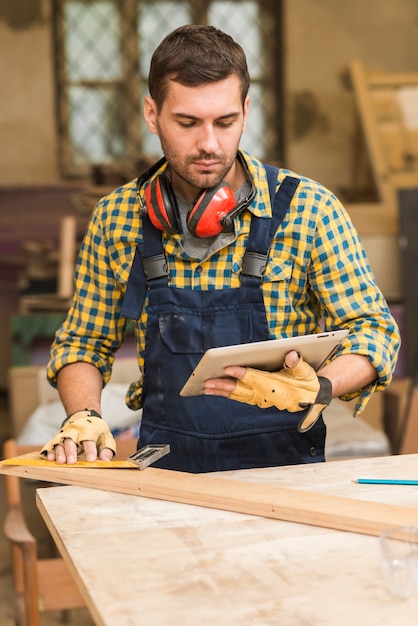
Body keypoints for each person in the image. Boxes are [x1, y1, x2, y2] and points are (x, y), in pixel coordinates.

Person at [41, 24, 400, 473]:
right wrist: (83, 414)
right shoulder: (118, 218)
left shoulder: (310, 209)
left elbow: (374, 331)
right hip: (168, 476)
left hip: (284, 477)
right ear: (152, 114)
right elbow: (82, 343)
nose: (209, 144)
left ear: (246, 111)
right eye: (187, 123)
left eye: (225, 122)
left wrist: (319, 387)